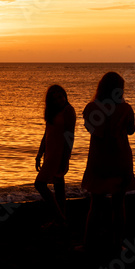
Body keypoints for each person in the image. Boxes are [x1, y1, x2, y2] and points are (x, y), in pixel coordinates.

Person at [81, 72, 135, 253]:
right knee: (119, 205)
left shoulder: (91, 108)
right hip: (120, 158)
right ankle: (116, 244)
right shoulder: (126, 109)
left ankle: (89, 245)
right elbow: (131, 131)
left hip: (99, 159)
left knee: (95, 204)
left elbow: (90, 128)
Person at [35, 85, 76, 228]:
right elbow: (46, 134)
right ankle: (60, 220)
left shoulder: (68, 110)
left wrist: (65, 159)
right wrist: (39, 153)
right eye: (55, 98)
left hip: (59, 154)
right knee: (59, 187)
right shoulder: (52, 112)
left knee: (39, 184)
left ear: (65, 95)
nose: (59, 100)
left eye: (61, 96)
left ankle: (59, 217)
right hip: (50, 153)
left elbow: (70, 137)